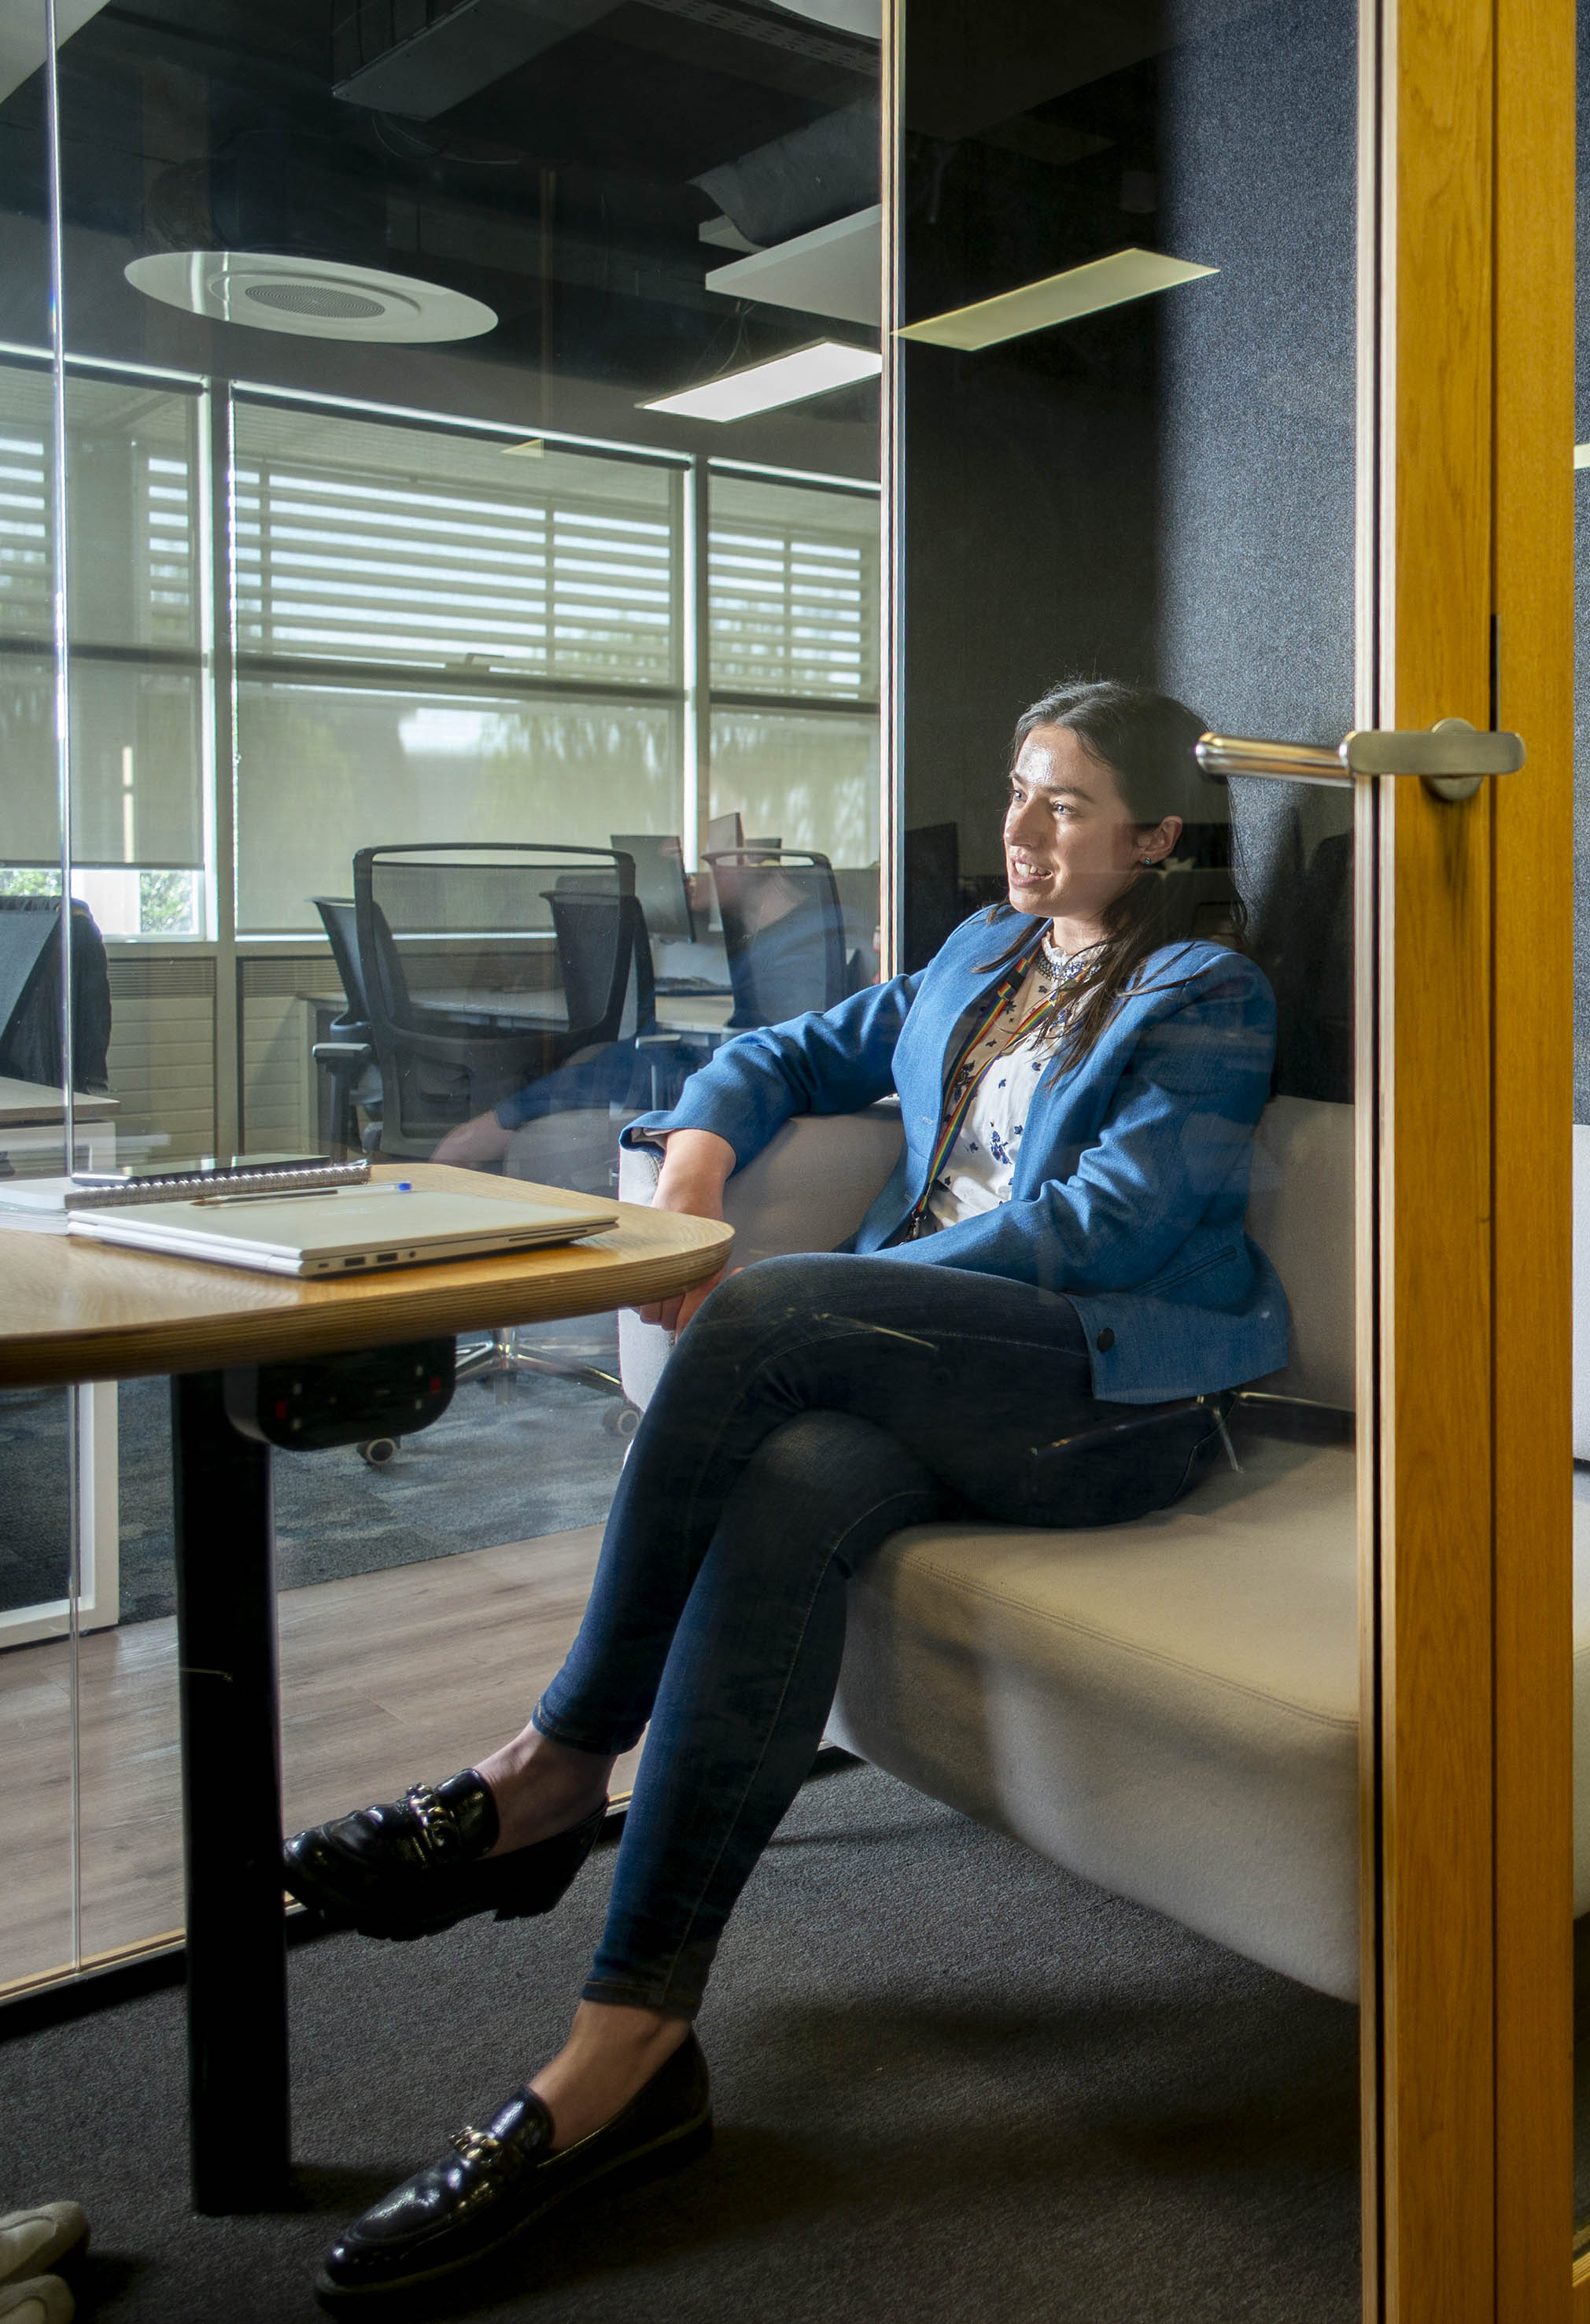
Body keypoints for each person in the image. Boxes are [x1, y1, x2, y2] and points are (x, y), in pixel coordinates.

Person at [278, 678, 1287, 2306]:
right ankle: (629, 2052)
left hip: (1105, 1394)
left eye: (1069, 806)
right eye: (1020, 789)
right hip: (928, 1360)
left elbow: (1097, 1230)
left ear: (1156, 836)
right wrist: (695, 1150)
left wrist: (855, 1304)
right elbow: (780, 1045)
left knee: (771, 1311)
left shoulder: (1206, 996)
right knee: (799, 1467)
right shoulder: (977, 963)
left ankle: (553, 1761)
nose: (1022, 830)